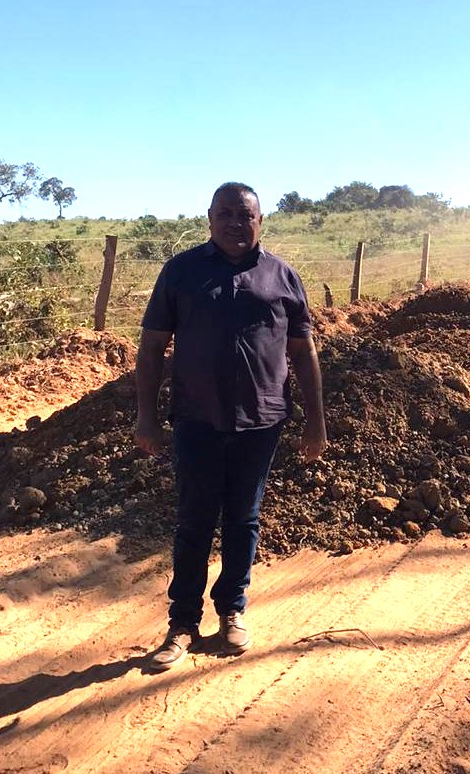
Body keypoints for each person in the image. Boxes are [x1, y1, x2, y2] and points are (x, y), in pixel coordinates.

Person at [135, 182, 327, 671]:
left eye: (246, 216)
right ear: (209, 218)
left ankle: (232, 610)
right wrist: (146, 418)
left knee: (244, 519)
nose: (236, 224)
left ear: (261, 222)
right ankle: (182, 623)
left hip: (261, 420)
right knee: (193, 521)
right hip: (196, 418)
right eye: (226, 214)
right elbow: (152, 347)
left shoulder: (282, 276)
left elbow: (303, 351)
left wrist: (316, 424)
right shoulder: (181, 272)